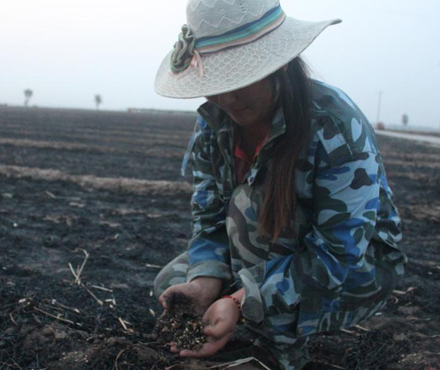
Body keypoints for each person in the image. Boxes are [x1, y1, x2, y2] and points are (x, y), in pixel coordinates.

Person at [152, 1, 407, 369]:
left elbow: (339, 254)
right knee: (173, 284)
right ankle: (241, 314)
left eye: (238, 80)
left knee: (250, 209)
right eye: (215, 83)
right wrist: (205, 282)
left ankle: (274, 349)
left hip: (355, 269)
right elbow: (208, 220)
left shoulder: (333, 126)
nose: (226, 98)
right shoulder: (214, 122)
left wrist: (241, 300)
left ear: (280, 66)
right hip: (262, 256)